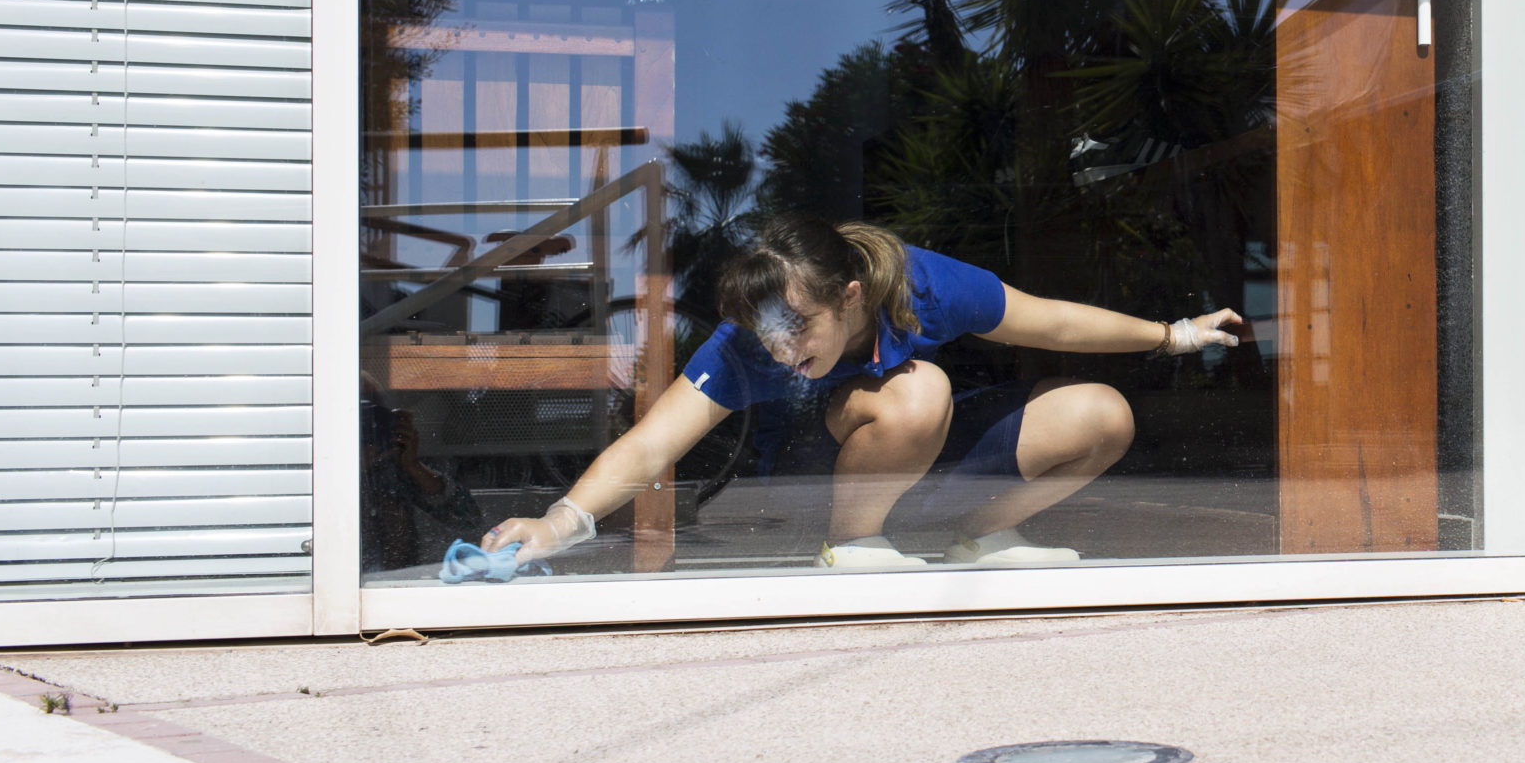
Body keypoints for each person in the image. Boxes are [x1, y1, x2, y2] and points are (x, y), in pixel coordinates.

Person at [480, 216, 1242, 570]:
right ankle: (852, 545)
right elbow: (651, 441)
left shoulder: (919, 283)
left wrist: (1171, 334)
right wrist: (559, 523)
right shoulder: (750, 344)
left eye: (799, 326)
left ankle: (981, 535)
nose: (783, 348)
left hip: (930, 461)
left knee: (1102, 413)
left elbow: (1055, 323)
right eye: (768, 332)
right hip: (827, 480)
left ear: (850, 295)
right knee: (919, 392)